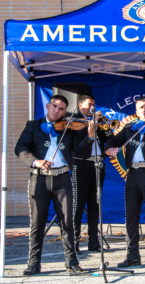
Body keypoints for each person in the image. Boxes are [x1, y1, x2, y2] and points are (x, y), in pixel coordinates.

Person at [14, 95, 95, 275]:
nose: (56, 111)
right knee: (37, 223)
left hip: (63, 178)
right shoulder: (33, 125)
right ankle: (34, 263)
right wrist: (36, 161)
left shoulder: (69, 128)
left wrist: (90, 136)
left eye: (61, 109)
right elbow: (20, 148)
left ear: (64, 112)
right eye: (54, 106)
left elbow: (79, 150)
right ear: (48, 105)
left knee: (67, 223)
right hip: (39, 178)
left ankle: (72, 262)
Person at [105, 97, 145, 270]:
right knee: (131, 218)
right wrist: (109, 148)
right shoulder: (129, 127)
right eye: (141, 107)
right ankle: (133, 256)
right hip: (132, 174)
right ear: (137, 110)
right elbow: (113, 140)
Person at [72, 94, 113, 254]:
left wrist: (106, 126)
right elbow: (77, 148)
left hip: (98, 165)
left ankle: (94, 243)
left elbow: (109, 139)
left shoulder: (99, 121)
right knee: (78, 205)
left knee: (95, 205)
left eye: (94, 104)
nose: (93, 107)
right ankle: (74, 242)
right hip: (81, 164)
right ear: (80, 105)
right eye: (89, 104)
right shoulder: (74, 122)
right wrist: (91, 125)